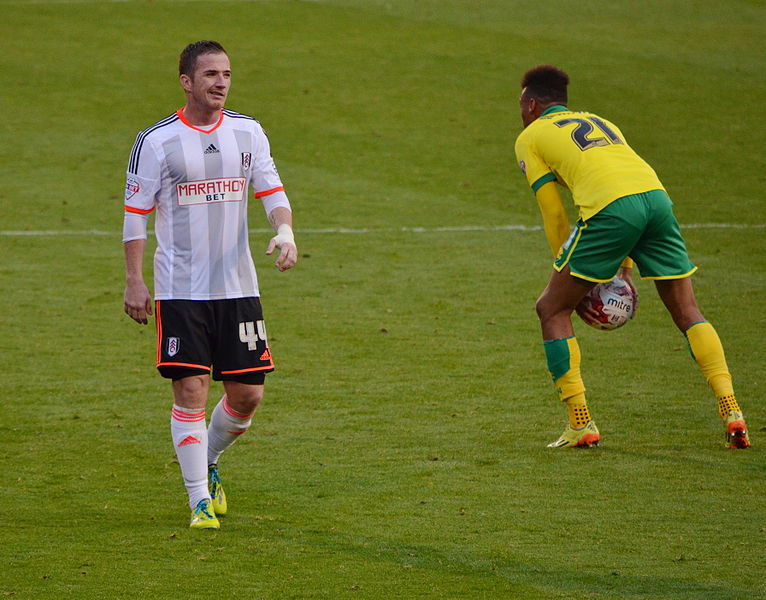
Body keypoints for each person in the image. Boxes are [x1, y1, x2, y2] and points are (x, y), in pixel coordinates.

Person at [513, 64, 749, 449]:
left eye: (521, 105)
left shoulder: (531, 136)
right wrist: (622, 272)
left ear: (533, 104)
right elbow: (626, 186)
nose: (521, 113)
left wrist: (568, 274)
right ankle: (732, 410)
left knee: (551, 309)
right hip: (656, 200)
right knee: (688, 310)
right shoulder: (601, 121)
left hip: (611, 209)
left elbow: (555, 213)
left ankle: (580, 423)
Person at [123, 40, 298, 529]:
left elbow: (272, 188)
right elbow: (135, 217)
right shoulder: (156, 142)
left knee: (247, 397)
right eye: (210, 75)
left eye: (226, 74)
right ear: (186, 81)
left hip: (238, 286)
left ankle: (210, 461)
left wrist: (284, 231)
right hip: (180, 289)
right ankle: (199, 498)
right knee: (191, 391)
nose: (221, 83)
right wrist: (135, 281)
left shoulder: (248, 132)